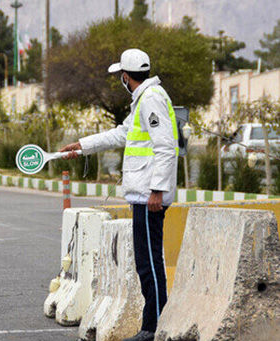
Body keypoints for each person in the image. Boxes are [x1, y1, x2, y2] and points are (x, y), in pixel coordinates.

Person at [61, 48, 178, 341]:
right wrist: (82, 146)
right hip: (143, 195)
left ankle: (154, 328)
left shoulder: (150, 99)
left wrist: (157, 191)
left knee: (150, 263)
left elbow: (165, 146)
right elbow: (120, 134)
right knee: (145, 263)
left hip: (149, 197)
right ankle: (152, 326)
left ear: (126, 77)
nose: (121, 81)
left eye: (120, 77)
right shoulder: (143, 100)